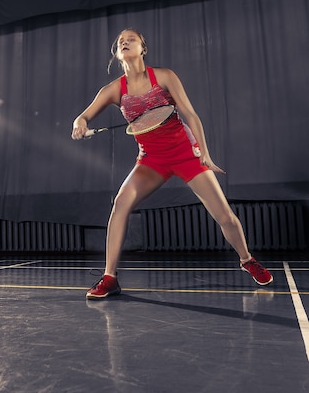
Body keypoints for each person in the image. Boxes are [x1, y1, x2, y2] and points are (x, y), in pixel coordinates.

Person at [71, 29, 273, 299]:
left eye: (131, 39)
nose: (125, 42)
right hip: (151, 159)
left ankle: (247, 259)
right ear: (117, 53)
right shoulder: (113, 90)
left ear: (143, 48)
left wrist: (204, 152)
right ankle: (110, 278)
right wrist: (80, 125)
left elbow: (190, 114)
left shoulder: (164, 76)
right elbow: (82, 117)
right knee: (120, 204)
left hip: (185, 152)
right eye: (121, 41)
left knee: (224, 215)